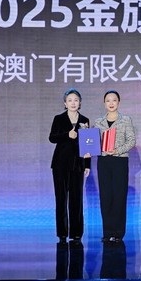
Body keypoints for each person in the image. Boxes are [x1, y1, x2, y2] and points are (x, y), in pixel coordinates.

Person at [49, 89, 90, 242]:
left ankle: (76, 233)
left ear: (80, 103)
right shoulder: (59, 118)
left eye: (76, 100)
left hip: (78, 164)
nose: (73, 103)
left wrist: (87, 165)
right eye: (70, 100)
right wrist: (67, 135)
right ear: (65, 103)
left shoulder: (84, 120)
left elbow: (88, 144)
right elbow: (52, 138)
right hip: (60, 164)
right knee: (61, 198)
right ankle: (62, 233)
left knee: (76, 198)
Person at [94, 90, 136, 242]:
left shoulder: (126, 120)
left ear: (118, 102)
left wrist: (117, 150)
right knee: (105, 197)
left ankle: (118, 233)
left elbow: (131, 141)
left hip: (119, 161)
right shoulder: (98, 122)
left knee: (119, 196)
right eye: (108, 100)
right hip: (104, 161)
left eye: (114, 100)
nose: (111, 103)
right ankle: (107, 232)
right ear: (104, 103)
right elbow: (93, 142)